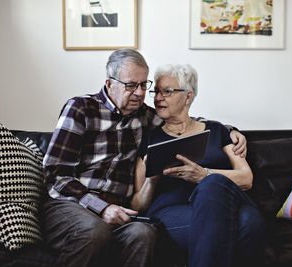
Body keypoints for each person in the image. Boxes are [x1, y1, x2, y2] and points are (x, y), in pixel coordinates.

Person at [42, 49, 247, 267]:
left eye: (143, 85)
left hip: (121, 209)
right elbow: (55, 173)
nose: (139, 93)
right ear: (110, 84)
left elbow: (183, 120)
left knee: (144, 234)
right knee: (94, 231)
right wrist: (101, 207)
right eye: (131, 85)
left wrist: (228, 130)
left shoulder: (144, 116)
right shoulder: (81, 108)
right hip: (72, 204)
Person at [132, 64, 266, 267]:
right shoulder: (151, 140)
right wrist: (151, 181)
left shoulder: (217, 130)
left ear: (187, 96)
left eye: (167, 91)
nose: (158, 98)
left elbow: (246, 178)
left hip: (227, 202)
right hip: (173, 210)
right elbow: (137, 206)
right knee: (248, 223)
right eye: (156, 92)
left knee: (211, 184)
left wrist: (205, 174)